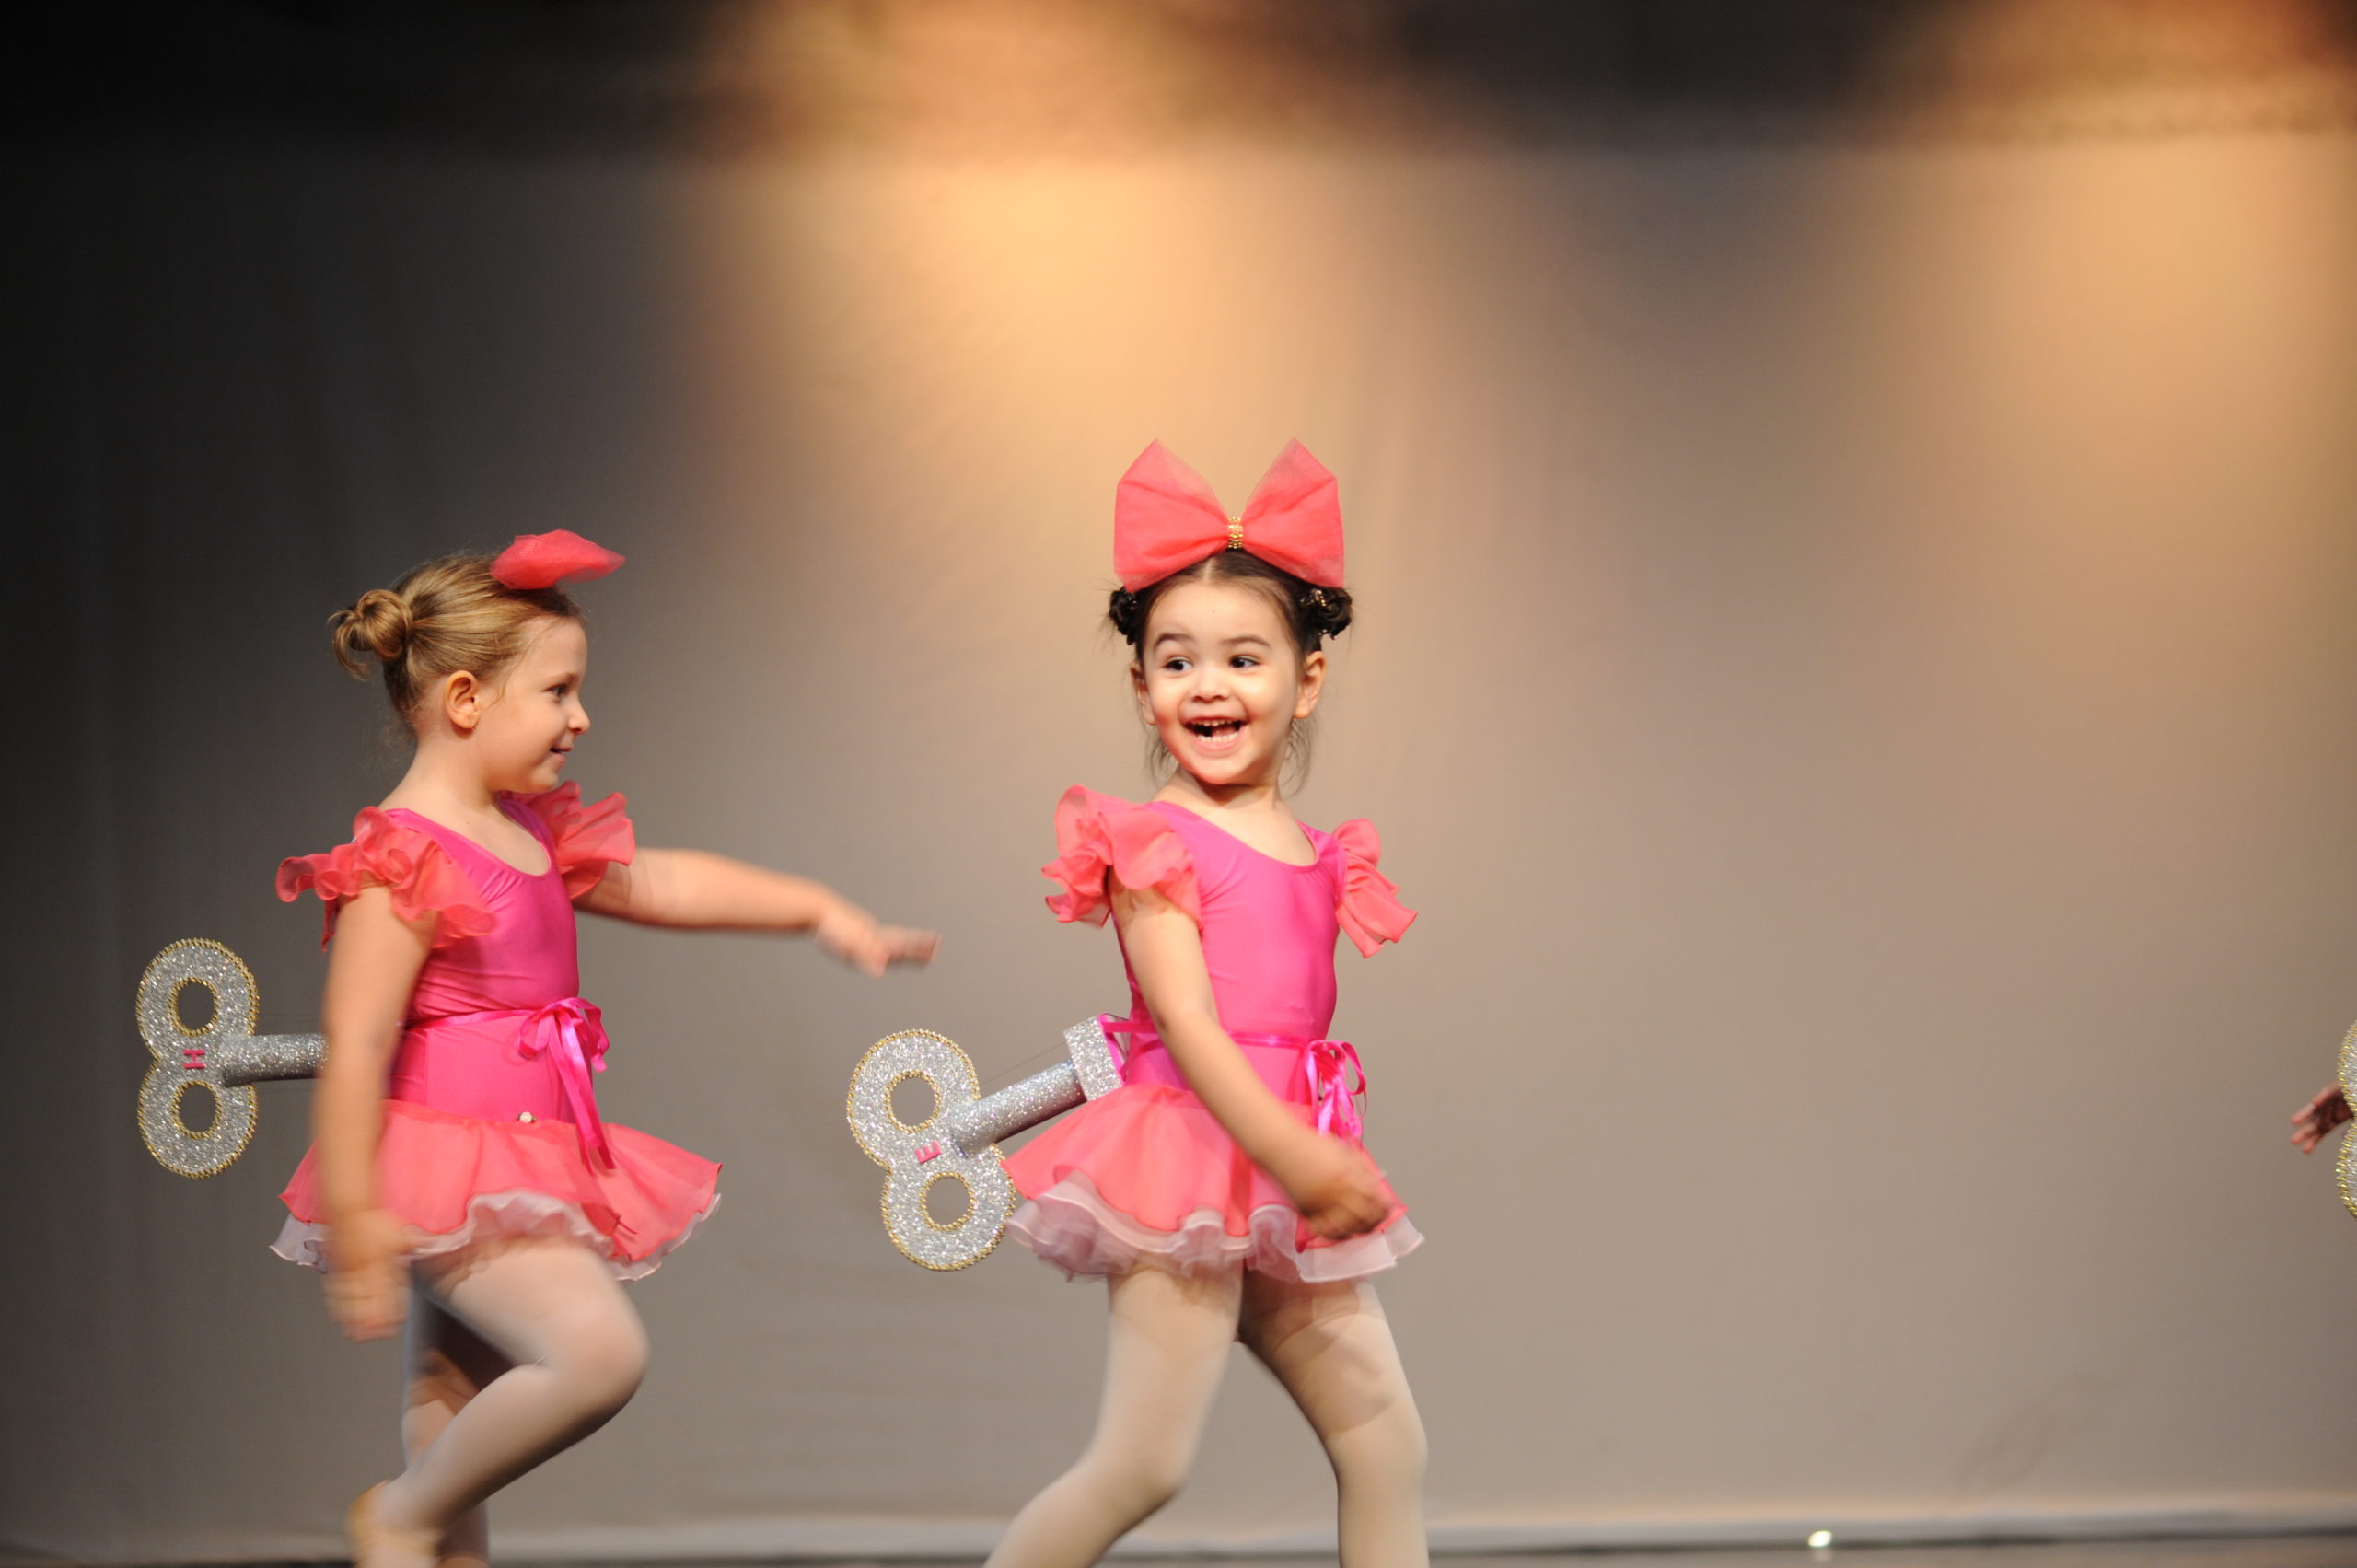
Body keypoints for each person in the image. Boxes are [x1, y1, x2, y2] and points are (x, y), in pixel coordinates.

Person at [274, 529, 935, 1568]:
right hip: (445, 1160)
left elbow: (664, 882)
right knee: (595, 1355)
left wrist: (817, 909)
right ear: (465, 700)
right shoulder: (404, 855)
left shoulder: (529, 830)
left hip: (523, 1153)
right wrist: (356, 1216)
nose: (581, 716)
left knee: (452, 1401)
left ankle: (420, 1536)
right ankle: (399, 1515)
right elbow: (357, 1042)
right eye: (559, 691)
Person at [990, 442, 1428, 1568]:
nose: (1208, 685)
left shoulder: (1321, 850)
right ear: (1143, 687)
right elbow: (1186, 1021)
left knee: (1385, 1439)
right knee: (1142, 1463)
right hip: (1187, 1159)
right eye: (1175, 660)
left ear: (1306, 680)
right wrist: (1298, 1152)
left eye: (1242, 657)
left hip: (1285, 1172)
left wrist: (1303, 1158)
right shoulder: (1151, 841)